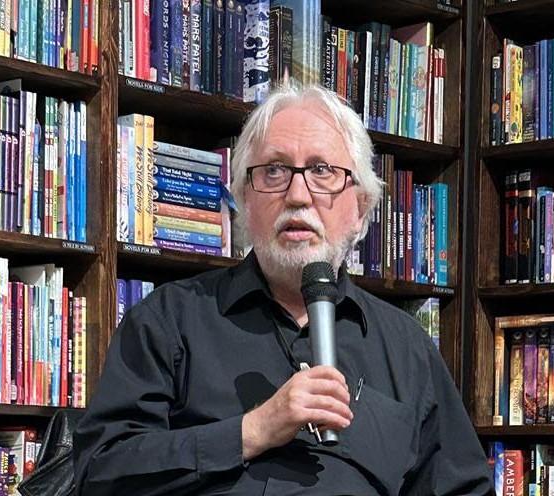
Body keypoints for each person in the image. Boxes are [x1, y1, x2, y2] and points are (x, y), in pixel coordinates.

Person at [73, 84, 493, 495]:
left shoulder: (406, 347)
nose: (297, 195)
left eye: (322, 171)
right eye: (273, 170)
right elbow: (101, 472)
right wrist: (253, 430)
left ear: (361, 206)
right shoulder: (169, 319)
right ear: (243, 199)